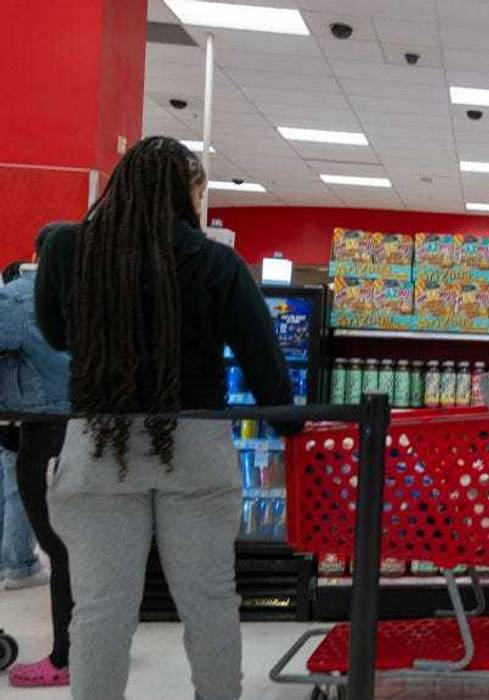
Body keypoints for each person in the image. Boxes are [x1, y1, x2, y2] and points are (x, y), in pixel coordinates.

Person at [33, 136, 301, 700]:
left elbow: (57, 336)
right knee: (208, 600)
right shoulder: (215, 261)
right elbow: (265, 367)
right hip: (194, 443)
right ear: (190, 191)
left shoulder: (65, 248)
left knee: (102, 607)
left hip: (100, 442)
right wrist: (294, 427)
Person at [1, 251, 73, 689]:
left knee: (59, 545)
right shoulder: (94, 295)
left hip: (42, 429)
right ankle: (88, 644)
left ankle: (66, 655)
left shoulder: (19, 298)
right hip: (91, 431)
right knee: (78, 547)